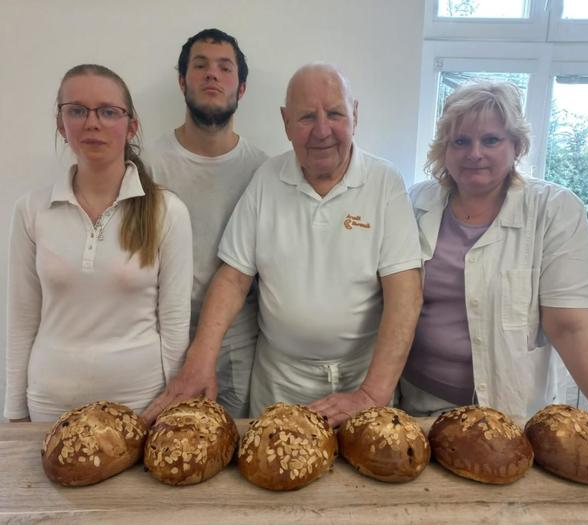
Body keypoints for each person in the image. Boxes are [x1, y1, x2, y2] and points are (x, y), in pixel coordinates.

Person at [146, 63, 422, 428]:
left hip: (361, 382)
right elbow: (233, 278)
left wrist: (371, 394)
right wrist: (200, 360)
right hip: (279, 385)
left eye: (335, 114)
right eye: (306, 117)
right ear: (286, 122)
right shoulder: (267, 179)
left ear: (355, 115)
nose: (322, 130)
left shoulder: (385, 182)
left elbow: (405, 295)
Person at [399, 81, 588, 470]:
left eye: (491, 139)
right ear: (443, 149)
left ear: (516, 145)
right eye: (460, 141)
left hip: (510, 415)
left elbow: (572, 329)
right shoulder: (416, 203)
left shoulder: (554, 211)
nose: (475, 153)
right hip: (420, 406)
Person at [4, 64, 193, 422]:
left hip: (140, 407)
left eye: (108, 112)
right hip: (50, 406)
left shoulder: (168, 212)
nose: (92, 123)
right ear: (61, 125)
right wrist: (15, 414)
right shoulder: (31, 210)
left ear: (131, 126)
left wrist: (174, 409)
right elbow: (22, 319)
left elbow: (174, 326)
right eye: (77, 111)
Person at [143, 29, 267, 422]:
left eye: (225, 68)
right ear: (182, 81)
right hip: (160, 338)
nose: (212, 74)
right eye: (200, 66)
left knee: (229, 443)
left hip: (237, 342)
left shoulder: (262, 170)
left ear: (241, 88)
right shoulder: (147, 165)